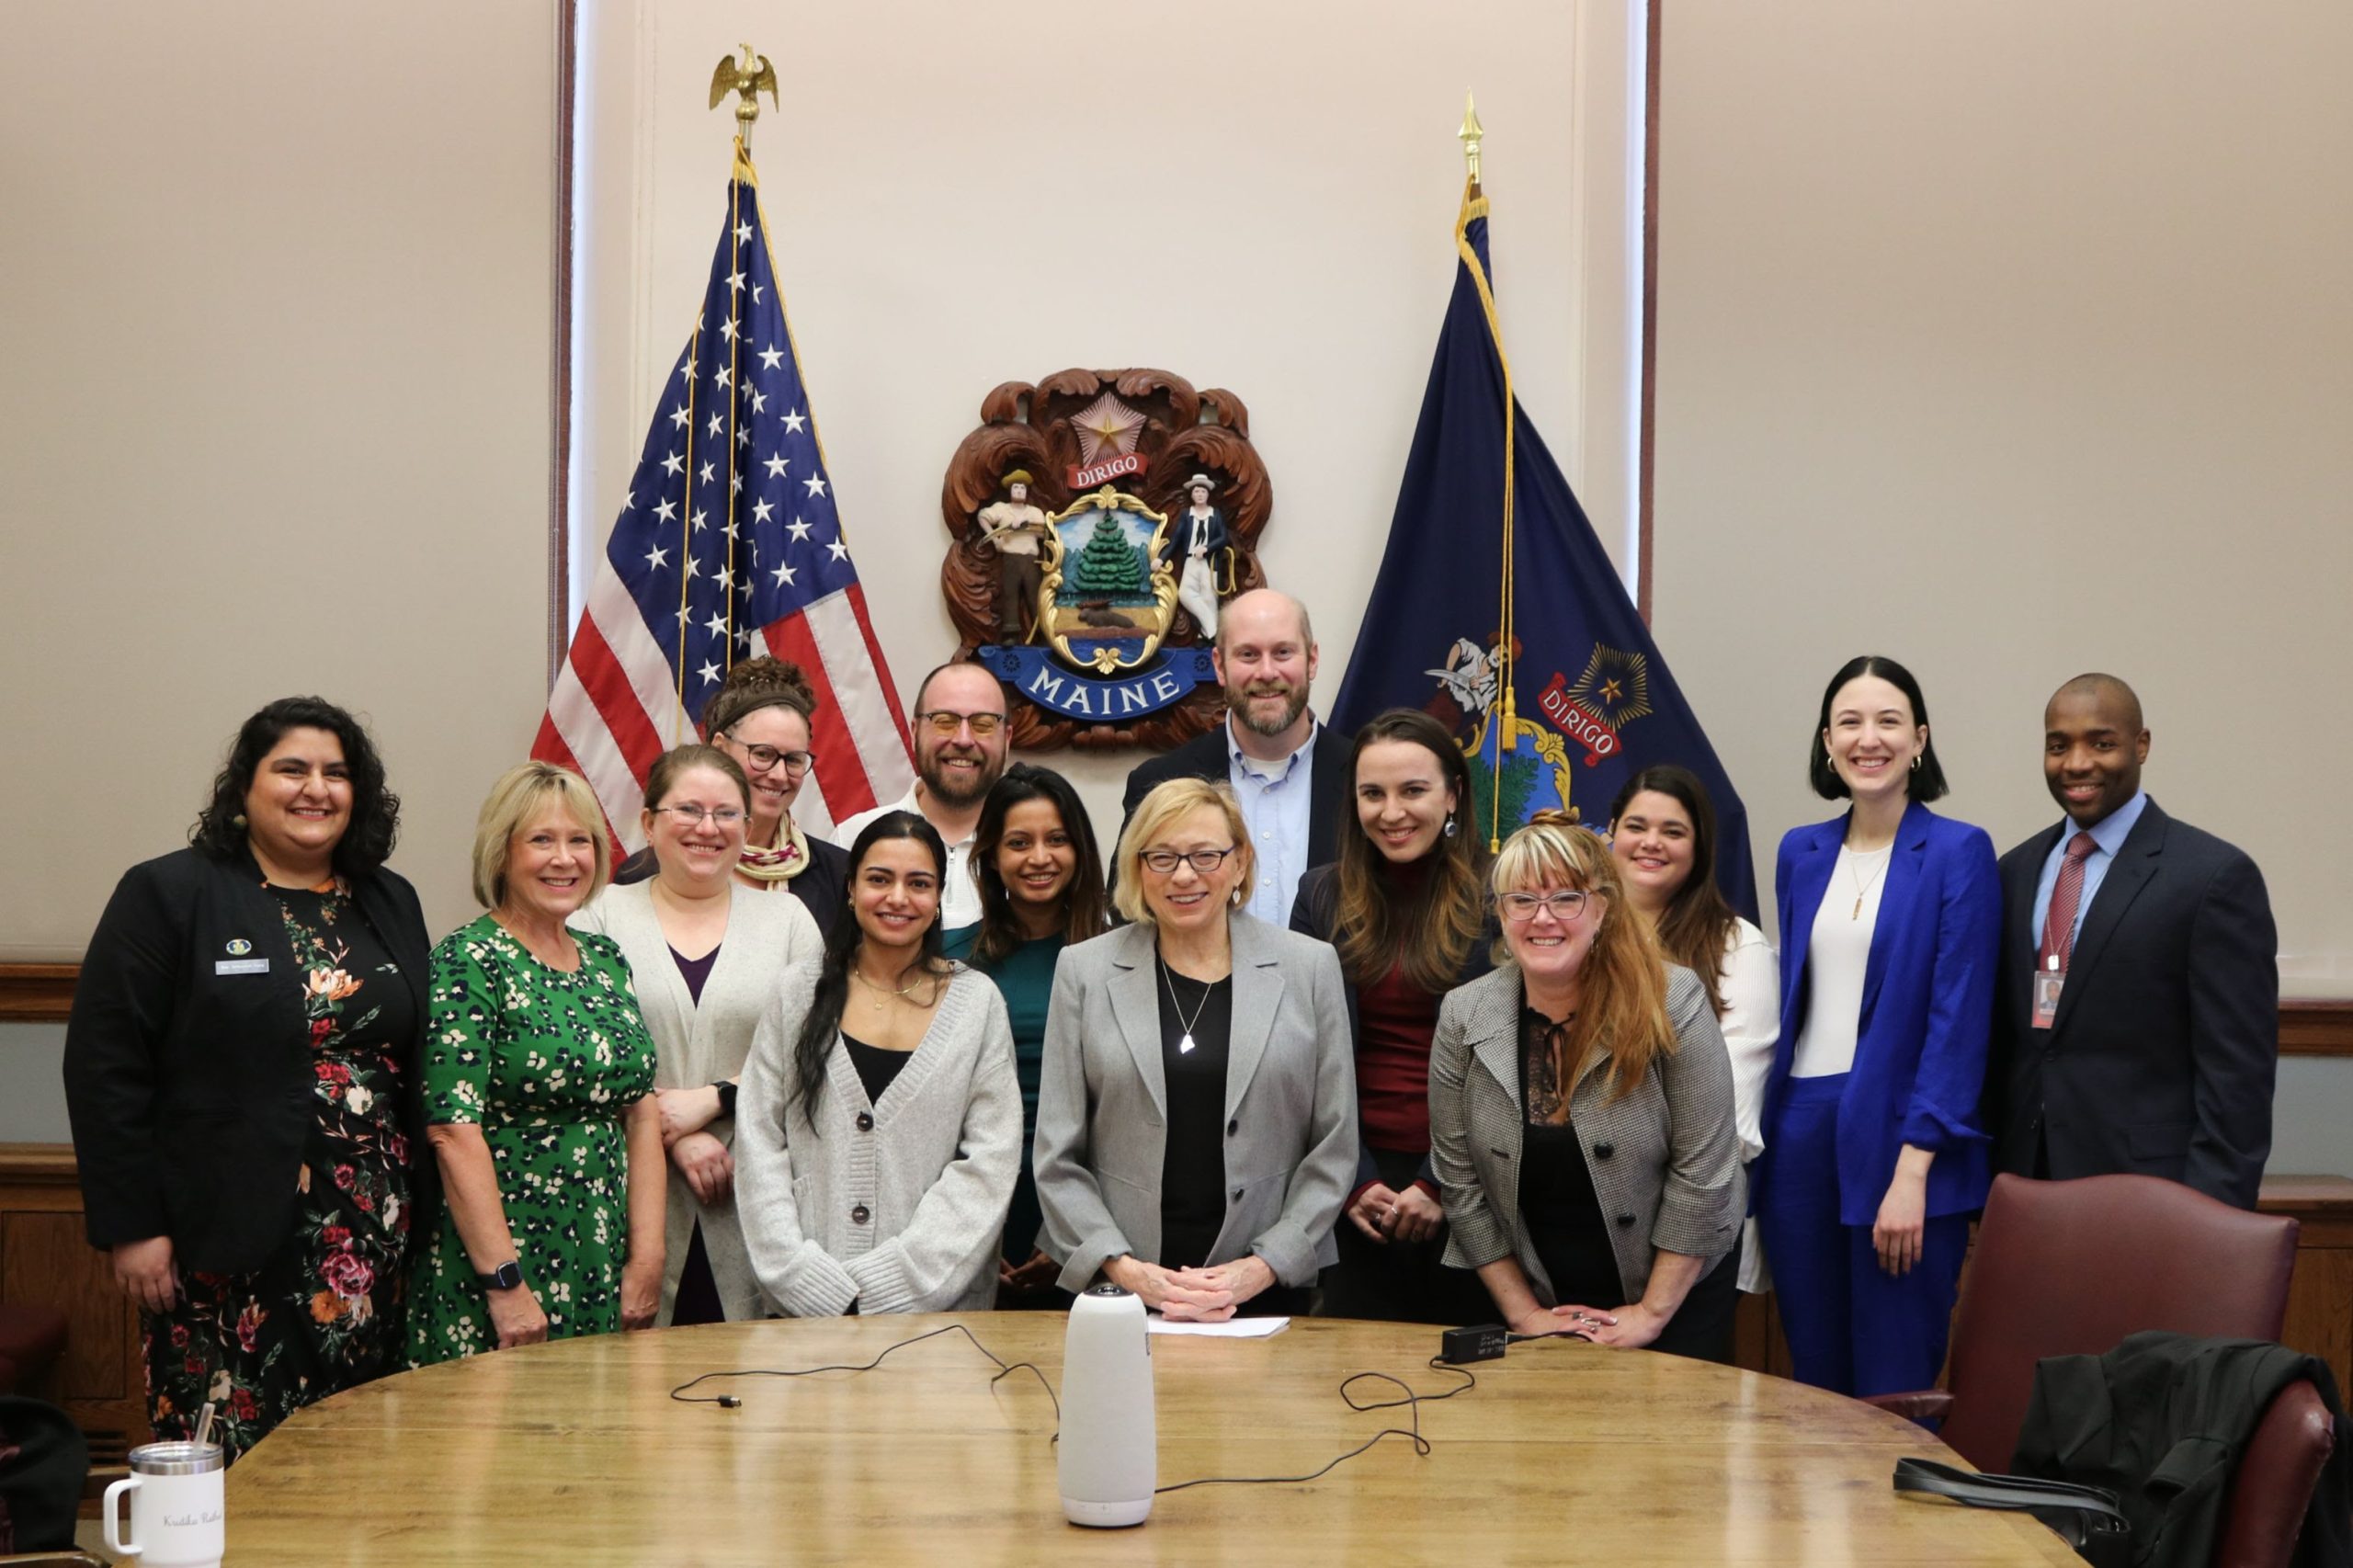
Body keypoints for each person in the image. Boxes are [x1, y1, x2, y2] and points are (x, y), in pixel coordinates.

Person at [63, 698, 433, 1460]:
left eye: (337, 773)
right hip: (227, 1239)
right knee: (234, 1448)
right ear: (245, 786)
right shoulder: (170, 894)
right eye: (291, 769)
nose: (316, 789)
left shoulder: (389, 899)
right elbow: (107, 1069)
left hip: (375, 1231)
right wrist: (133, 1226)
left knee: (363, 1444)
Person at [1756, 655, 1998, 1398]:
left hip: (1904, 1140)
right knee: (1816, 1381)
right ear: (1826, 742)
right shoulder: (1802, 850)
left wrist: (1913, 1169)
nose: (1870, 738)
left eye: (1889, 720)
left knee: (1894, 1388)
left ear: (1920, 740)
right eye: (1850, 722)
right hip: (1799, 1133)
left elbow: (1957, 1021)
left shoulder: (1959, 850)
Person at [1035, 778, 1357, 1320]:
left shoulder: (1310, 967)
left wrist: (1261, 1268)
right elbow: (1057, 1155)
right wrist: (1126, 1270)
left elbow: (1334, 1145)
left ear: (1240, 862)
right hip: (1119, 1296)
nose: (1184, 875)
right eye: (1162, 856)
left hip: (1265, 1295)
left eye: (1206, 854)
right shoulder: (1083, 971)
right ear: (1137, 867)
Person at [1428, 812, 1744, 1361]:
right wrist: (1523, 1313)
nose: (1542, 917)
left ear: (1601, 907)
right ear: (1501, 915)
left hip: (1674, 1292)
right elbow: (1460, 1181)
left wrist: (1651, 1314)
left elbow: (1705, 1172)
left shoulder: (1674, 1000)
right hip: (1529, 1293)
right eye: (1521, 899)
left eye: (1565, 898)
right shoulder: (1463, 1013)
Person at [1986, 674, 2277, 1209]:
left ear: (2141, 745)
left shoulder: (2212, 877)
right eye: (2058, 745)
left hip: (2153, 1194)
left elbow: (2237, 1078)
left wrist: (2211, 1218)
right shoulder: (2013, 871)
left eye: (2101, 743)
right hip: (2025, 1185)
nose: (2076, 763)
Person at [407, 763, 665, 1364]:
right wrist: (506, 1284)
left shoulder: (606, 961)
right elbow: (450, 1128)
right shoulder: (469, 960)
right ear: (501, 854)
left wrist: (647, 1261)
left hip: (599, 1259)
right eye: (542, 840)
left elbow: (643, 1114)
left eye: (580, 841)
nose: (565, 859)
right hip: (503, 1266)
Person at [574, 744, 824, 1325]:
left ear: (747, 824)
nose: (707, 829)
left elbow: (816, 1057)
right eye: (688, 810)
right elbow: (581, 1056)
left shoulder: (788, 923)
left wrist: (715, 1098)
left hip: (753, 1202)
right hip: (622, 1204)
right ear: (648, 823)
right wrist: (673, 1133)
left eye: (726, 813)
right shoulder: (598, 916)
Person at [733, 813, 1023, 1314]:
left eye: (919, 883)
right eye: (879, 879)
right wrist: (802, 1279)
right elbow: (760, 1141)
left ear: (937, 900)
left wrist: (894, 1283)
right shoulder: (797, 993)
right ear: (851, 888)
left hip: (937, 1316)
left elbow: (990, 1162)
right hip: (802, 1312)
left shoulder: (978, 1004)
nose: (897, 898)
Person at [1290, 709, 1495, 1324]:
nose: (1391, 811)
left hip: (1476, 1175)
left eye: (1413, 790)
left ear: (1453, 793)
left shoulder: (1502, 894)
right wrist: (1353, 1178)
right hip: (1356, 1179)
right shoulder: (1319, 895)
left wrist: (1439, 1183)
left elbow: (1514, 1056)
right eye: (1372, 794)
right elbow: (1306, 1053)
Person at [942, 765, 1112, 1306]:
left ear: (1081, 849)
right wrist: (969, 1237)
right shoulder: (947, 960)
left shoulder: (1129, 956)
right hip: (970, 1206)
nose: (1040, 857)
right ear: (990, 856)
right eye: (1019, 842)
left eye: (1057, 839)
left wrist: (1079, 1239)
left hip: (1099, 1210)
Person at [1607, 765, 1779, 1296]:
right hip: (1583, 1212)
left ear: (1700, 848)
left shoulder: (1737, 948)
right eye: (1636, 826)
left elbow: (1734, 1115)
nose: (1651, 843)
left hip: (1687, 1225)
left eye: (1673, 831)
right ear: (1610, 831)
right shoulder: (1572, 933)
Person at [1117, 588, 1351, 927]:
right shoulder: (1160, 782)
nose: (1267, 672)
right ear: (1220, 666)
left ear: (1312, 660)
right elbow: (1131, 916)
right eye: (1248, 655)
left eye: (1283, 652)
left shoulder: (1366, 782)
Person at [614, 657, 850, 937]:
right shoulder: (647, 872)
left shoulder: (839, 874)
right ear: (721, 748)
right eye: (763, 754)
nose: (779, 775)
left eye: (794, 759)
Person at [833, 662, 1010, 934]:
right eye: (945, 721)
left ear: (1007, 738)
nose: (963, 739)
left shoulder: (1028, 851)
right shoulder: (852, 837)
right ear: (915, 731)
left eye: (983, 724)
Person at [973, 469, 1051, 641]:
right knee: (1010, 594)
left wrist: (1026, 525)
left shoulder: (1034, 512)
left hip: (1031, 560)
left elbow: (1043, 532)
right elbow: (983, 516)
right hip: (1011, 559)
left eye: (1022, 488)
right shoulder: (1002, 509)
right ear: (1010, 490)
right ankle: (1011, 633)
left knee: (1035, 596)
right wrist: (995, 539)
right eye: (1016, 488)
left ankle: (1042, 633)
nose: (1019, 491)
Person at [1159, 472, 1231, 638]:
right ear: (1192, 494)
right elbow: (1176, 539)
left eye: (1203, 492)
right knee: (1185, 594)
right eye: (1197, 491)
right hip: (1191, 561)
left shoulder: (1215, 514)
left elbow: (1223, 537)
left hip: (1209, 562)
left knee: (1209, 596)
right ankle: (1213, 630)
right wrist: (1161, 559)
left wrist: (1207, 548)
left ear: (1208, 494)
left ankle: (1205, 634)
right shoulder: (1186, 515)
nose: (1200, 495)